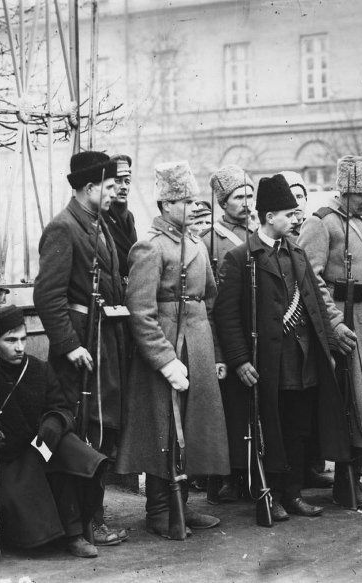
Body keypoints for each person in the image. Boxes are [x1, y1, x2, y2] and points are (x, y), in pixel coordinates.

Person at [214, 174, 350, 520]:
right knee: (267, 431)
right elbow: (226, 317)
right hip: (266, 362)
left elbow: (315, 306)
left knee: (298, 428)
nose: (296, 219)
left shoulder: (298, 254)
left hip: (302, 359)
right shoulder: (241, 257)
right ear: (269, 216)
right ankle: (268, 494)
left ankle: (292, 494)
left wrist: (328, 350)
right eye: (289, 214)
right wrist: (240, 361)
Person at [116, 160, 228, 539]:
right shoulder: (149, 247)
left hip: (196, 344)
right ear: (165, 204)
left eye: (193, 200)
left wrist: (212, 352)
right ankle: (159, 510)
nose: (192, 207)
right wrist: (165, 360)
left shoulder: (195, 242)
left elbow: (210, 298)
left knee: (191, 428)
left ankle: (183, 504)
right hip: (165, 345)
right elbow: (140, 311)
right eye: (184, 201)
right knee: (163, 429)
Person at [0, 305, 110, 558]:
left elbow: (61, 408)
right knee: (29, 522)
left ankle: (75, 533)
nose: (19, 347)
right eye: (10, 340)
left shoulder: (38, 369)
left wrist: (54, 424)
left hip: (40, 445)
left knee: (75, 454)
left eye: (23, 339)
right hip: (3, 458)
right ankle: (43, 535)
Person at [33, 151, 128, 545]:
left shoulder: (98, 222)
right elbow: (46, 295)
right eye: (108, 186)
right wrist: (69, 344)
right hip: (82, 346)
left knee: (102, 429)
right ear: (89, 188)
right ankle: (83, 522)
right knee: (82, 430)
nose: (114, 193)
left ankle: (93, 517)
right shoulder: (63, 227)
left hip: (104, 340)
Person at [299, 155, 362, 508]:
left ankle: (358, 478)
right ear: (345, 190)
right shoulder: (323, 224)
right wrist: (333, 324)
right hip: (342, 318)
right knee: (348, 403)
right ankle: (344, 481)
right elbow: (309, 276)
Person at [201, 165, 257, 502]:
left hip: (253, 332)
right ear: (223, 202)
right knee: (225, 413)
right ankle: (222, 479)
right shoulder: (211, 238)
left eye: (250, 195)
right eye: (239, 197)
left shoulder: (257, 233)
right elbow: (211, 298)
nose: (246, 202)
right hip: (224, 332)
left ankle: (250, 475)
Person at [102, 154, 137, 283]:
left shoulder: (129, 217)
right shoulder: (100, 215)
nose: (124, 187)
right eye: (118, 181)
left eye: (127, 181)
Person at [279, 170, 309, 238]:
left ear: (305, 199)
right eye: (290, 198)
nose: (296, 203)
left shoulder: (314, 229)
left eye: (299, 197)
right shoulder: (276, 236)